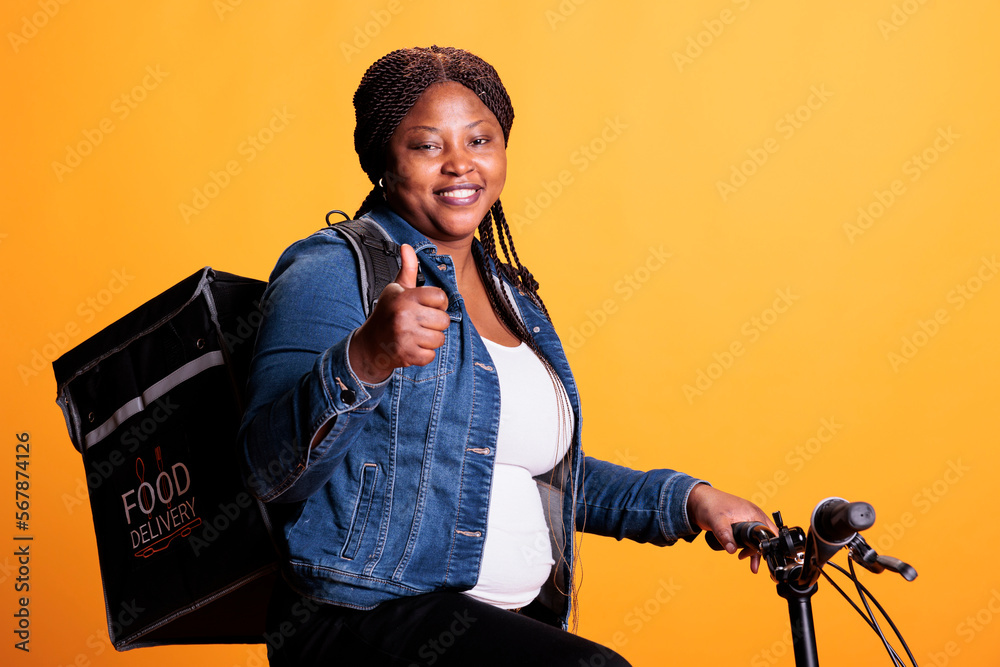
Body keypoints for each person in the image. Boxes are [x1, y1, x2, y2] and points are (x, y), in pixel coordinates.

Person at [238, 45, 778, 667]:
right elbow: (266, 467)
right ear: (383, 162)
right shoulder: (336, 268)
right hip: (362, 615)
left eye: (480, 140)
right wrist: (367, 357)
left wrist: (686, 500)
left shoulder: (511, 296)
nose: (460, 165)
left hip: (502, 620)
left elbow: (520, 472)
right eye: (427, 145)